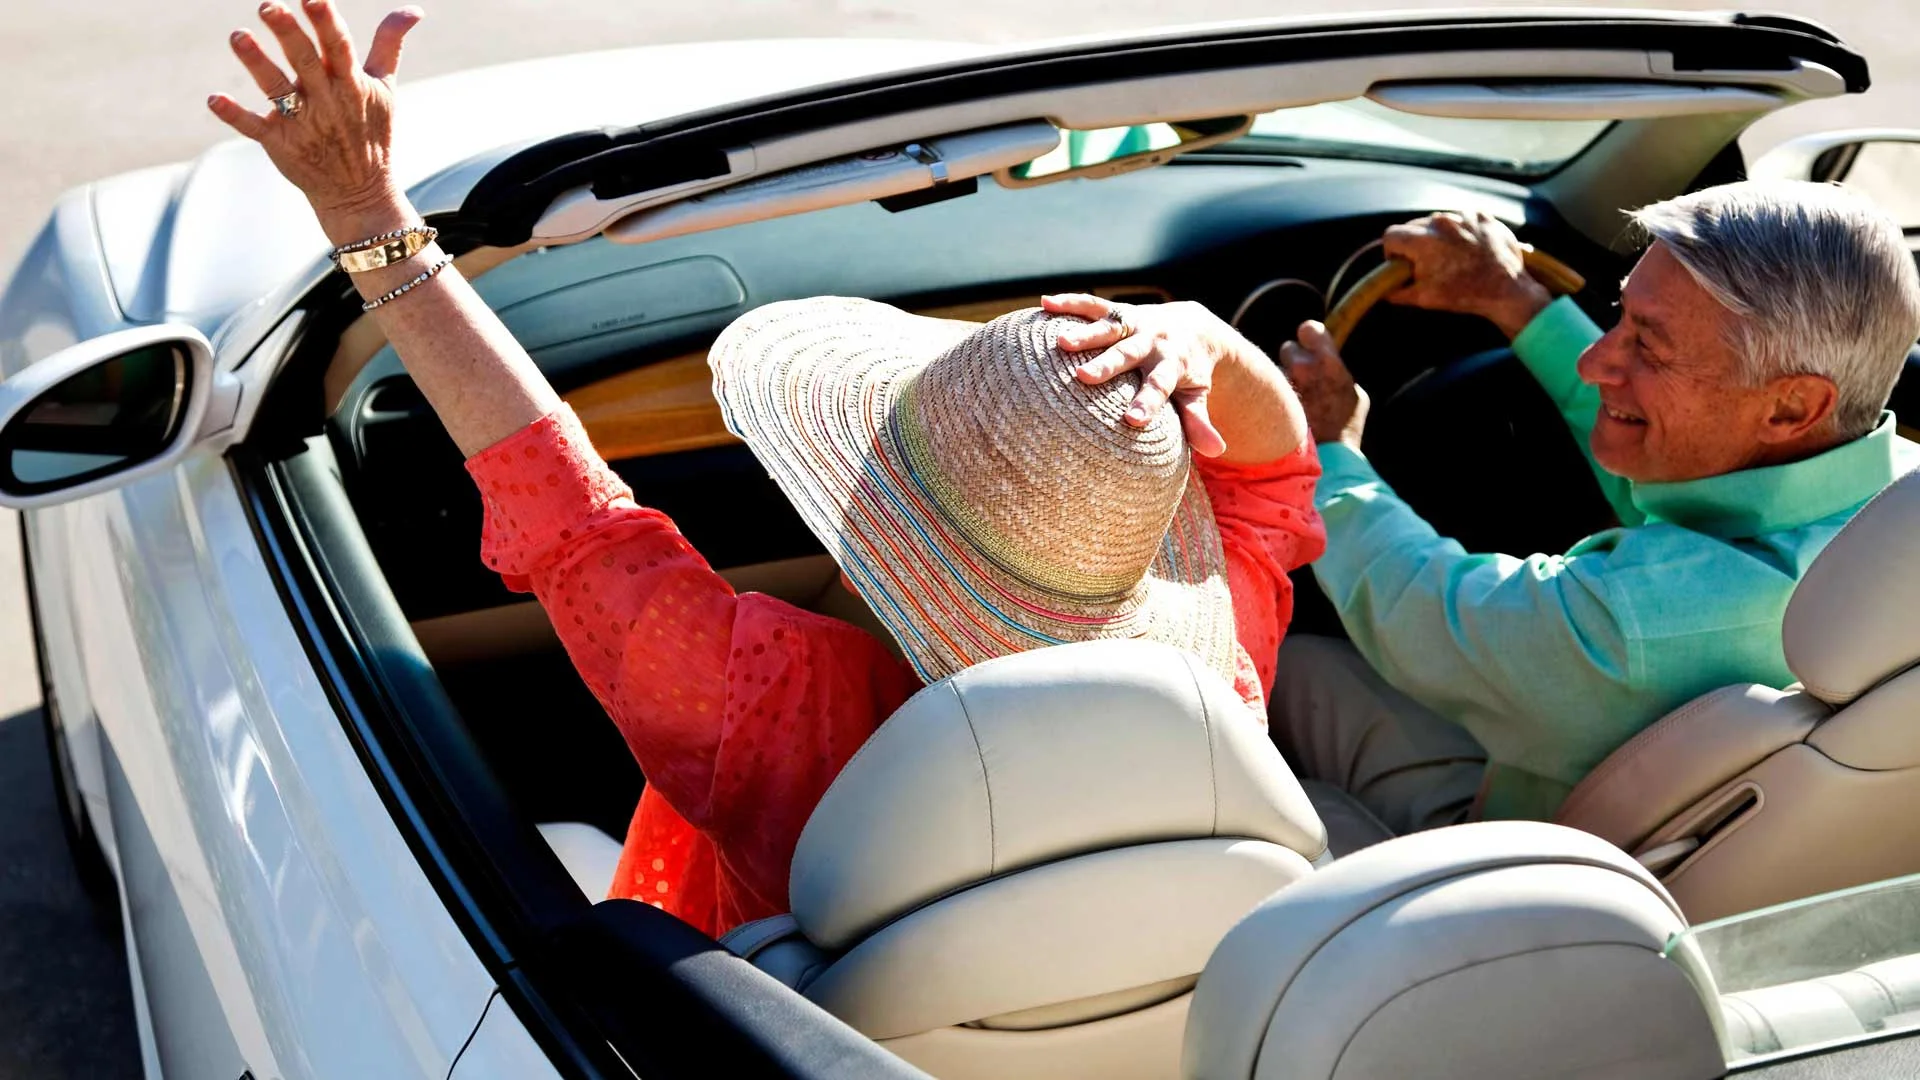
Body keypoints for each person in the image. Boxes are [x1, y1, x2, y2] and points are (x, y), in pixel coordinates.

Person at [206, 1, 1325, 937]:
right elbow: (1277, 473)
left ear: (866, 487)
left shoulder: (766, 706)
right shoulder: (1219, 674)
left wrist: (363, 208)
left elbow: (565, 506)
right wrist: (1199, 332)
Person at [1273, 187, 1920, 834]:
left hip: (1511, 877)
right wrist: (1518, 303)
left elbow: (1429, 615)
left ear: (1790, 407)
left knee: (1267, 757)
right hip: (1664, 848)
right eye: (1620, 318)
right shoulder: (1892, 505)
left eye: (1649, 346)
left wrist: (1326, 451)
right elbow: (1672, 448)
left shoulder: (1649, 626)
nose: (1594, 361)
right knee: (1299, 669)